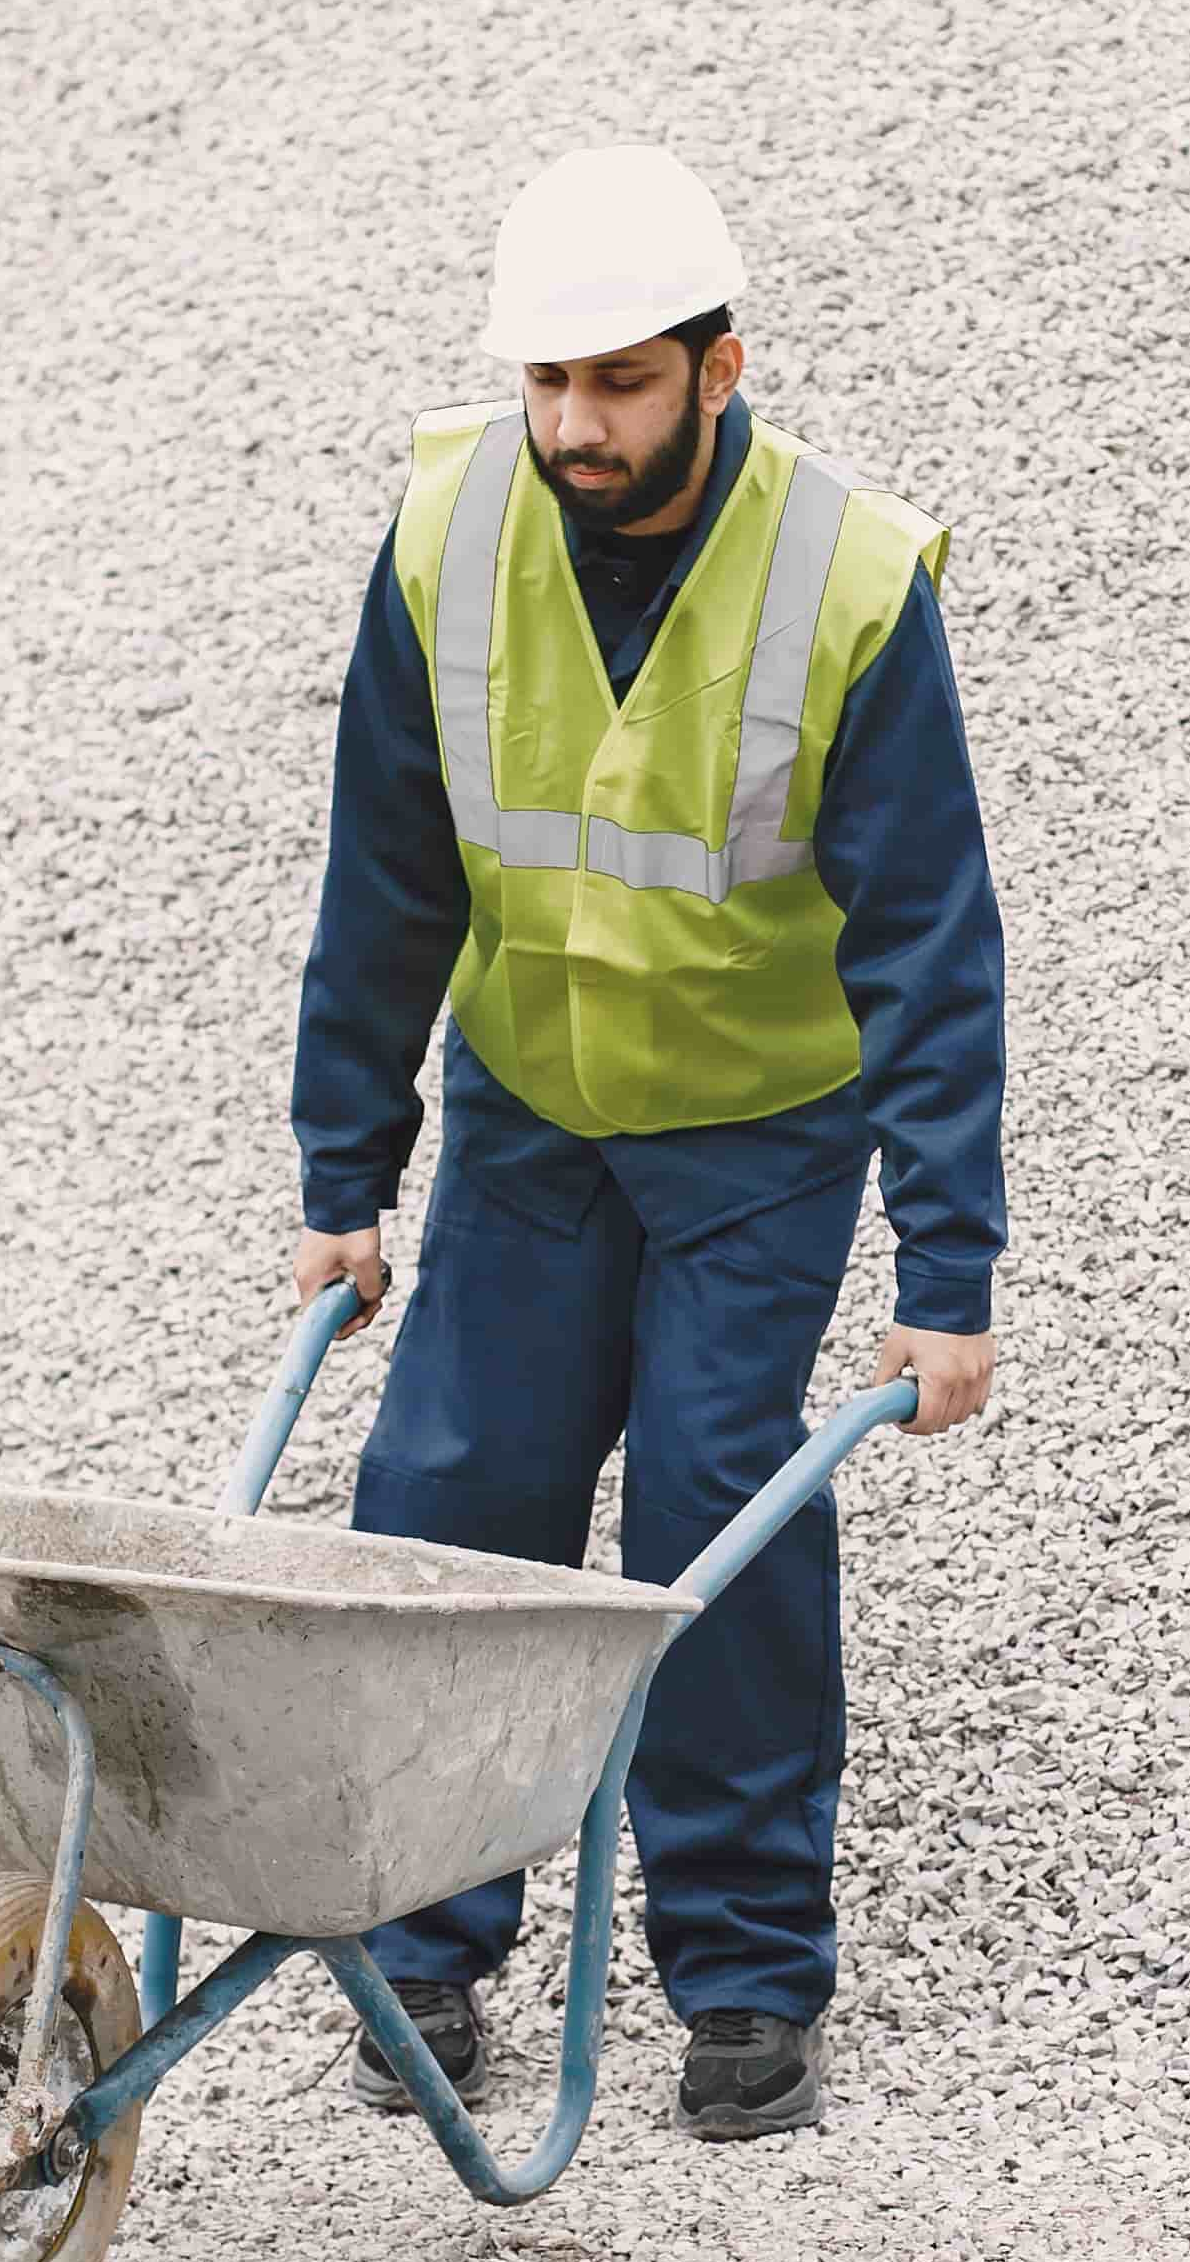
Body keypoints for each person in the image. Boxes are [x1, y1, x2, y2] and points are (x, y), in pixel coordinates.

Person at [283, 146, 1008, 2141]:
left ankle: (749, 1971)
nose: (573, 430)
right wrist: (345, 1175)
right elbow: (387, 871)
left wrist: (947, 1277)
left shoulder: (844, 587)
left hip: (759, 1135)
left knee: (712, 1510)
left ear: (717, 365)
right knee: (450, 1488)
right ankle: (425, 1940)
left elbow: (932, 943)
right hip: (533, 1110)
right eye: (546, 388)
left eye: (616, 384)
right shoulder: (446, 537)